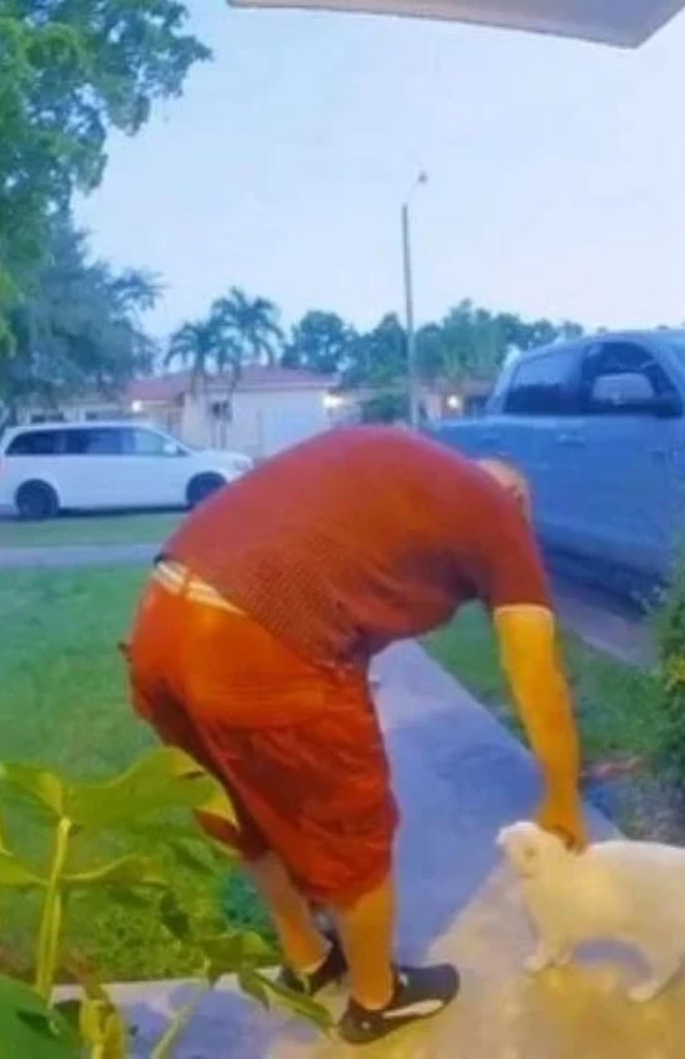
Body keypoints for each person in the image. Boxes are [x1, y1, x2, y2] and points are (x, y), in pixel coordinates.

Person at [125, 426, 585, 1046]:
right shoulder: (497, 514)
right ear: (516, 501)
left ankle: (309, 962)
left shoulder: (397, 464)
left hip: (160, 618)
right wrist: (561, 796)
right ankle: (376, 998)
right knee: (353, 828)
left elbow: (321, 561)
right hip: (257, 638)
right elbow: (538, 677)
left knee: (241, 807)